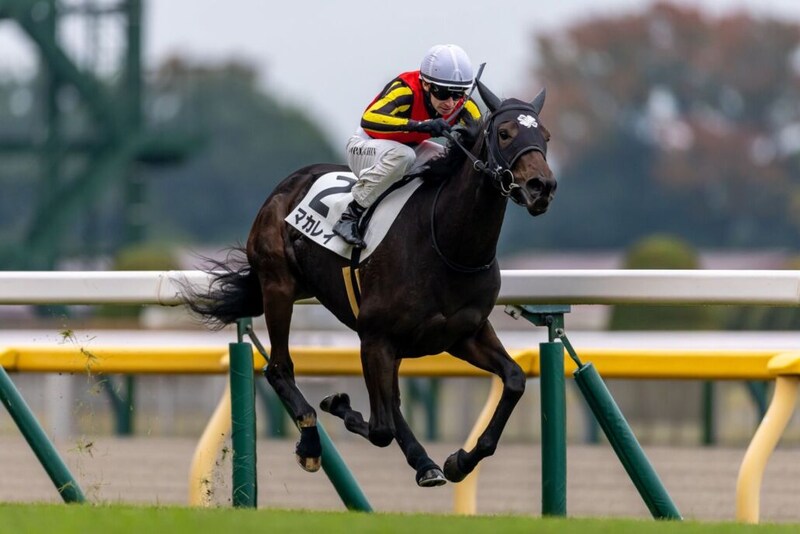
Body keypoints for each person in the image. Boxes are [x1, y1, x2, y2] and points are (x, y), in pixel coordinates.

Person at [333, 44, 482, 248]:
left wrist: (473, 133)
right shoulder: (406, 90)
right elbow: (369, 119)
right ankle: (350, 216)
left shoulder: (460, 103)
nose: (450, 103)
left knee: (448, 160)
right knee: (403, 156)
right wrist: (421, 126)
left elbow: (480, 128)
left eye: (457, 94)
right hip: (365, 146)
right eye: (444, 93)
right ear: (427, 85)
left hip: (407, 148)